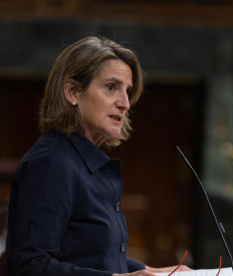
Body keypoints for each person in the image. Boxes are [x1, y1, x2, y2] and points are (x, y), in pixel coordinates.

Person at [6, 37, 191, 276]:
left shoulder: (85, 161)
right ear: (72, 91)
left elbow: (89, 253)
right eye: (111, 87)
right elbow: (31, 265)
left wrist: (152, 271)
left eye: (128, 91)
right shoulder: (52, 163)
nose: (125, 103)